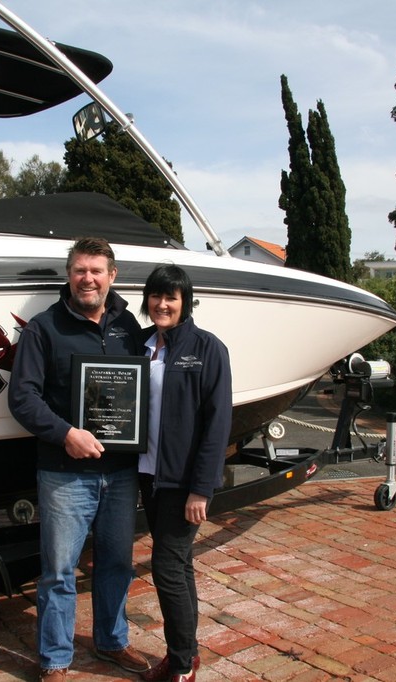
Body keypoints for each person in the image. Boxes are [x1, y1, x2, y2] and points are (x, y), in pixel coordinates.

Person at [8, 237, 150, 682]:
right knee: (58, 572)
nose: (87, 278)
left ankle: (112, 641)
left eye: (96, 270)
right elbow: (22, 397)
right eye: (79, 270)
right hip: (65, 474)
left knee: (116, 564)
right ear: (68, 275)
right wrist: (66, 433)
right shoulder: (43, 328)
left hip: (120, 472)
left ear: (112, 276)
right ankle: (55, 659)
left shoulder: (128, 326)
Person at [137, 264, 233, 682]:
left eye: (171, 297)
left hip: (183, 483)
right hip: (147, 475)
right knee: (180, 565)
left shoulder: (208, 349)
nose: (162, 304)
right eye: (156, 296)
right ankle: (188, 654)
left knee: (167, 567)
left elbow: (217, 423)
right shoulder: (142, 346)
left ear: (185, 302)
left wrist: (201, 490)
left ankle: (179, 666)